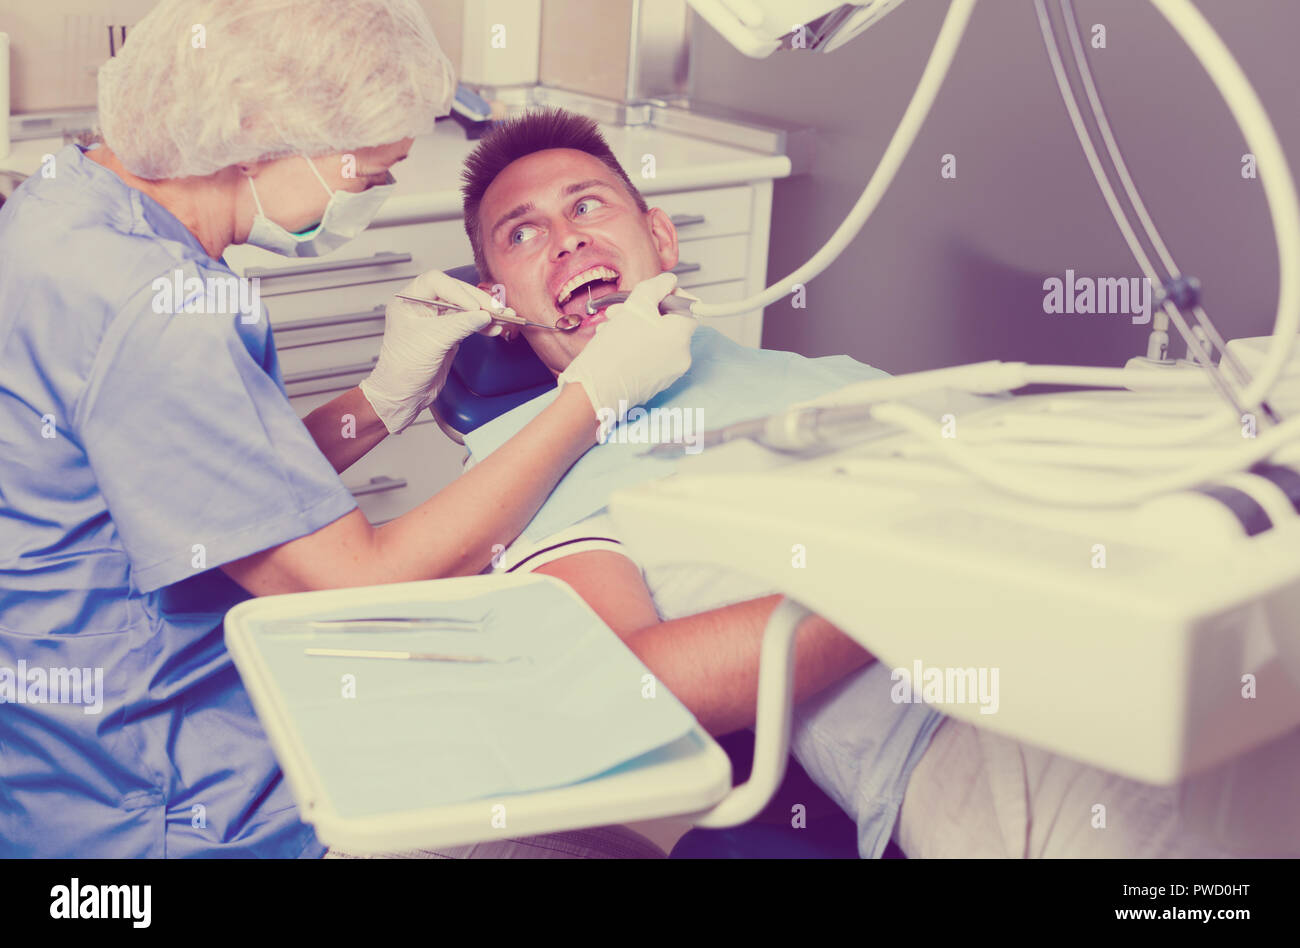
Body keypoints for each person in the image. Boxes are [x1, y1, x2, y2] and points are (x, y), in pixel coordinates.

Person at [450, 108, 1300, 858]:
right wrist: (919, 578)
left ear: (660, 239)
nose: (566, 239)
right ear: (499, 303)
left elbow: (1013, 467)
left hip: (1163, 620)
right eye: (521, 234)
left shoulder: (826, 373)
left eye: (588, 204)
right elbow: (643, 684)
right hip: (975, 724)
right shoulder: (541, 468)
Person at [0, 2, 697, 858]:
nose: (379, 193)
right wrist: (592, 398)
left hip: (71, 754)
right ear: (259, 132)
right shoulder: (157, 308)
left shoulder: (70, 203)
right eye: (369, 176)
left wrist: (379, 399)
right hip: (169, 799)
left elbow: (205, 481)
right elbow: (348, 583)